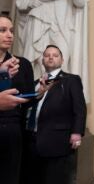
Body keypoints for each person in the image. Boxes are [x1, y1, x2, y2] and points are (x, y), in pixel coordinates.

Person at [15, 0, 89, 101]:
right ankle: (37, 101)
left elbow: (81, 2)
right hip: (39, 26)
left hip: (60, 29)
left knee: (63, 63)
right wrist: (32, 1)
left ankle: (61, 100)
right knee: (37, 65)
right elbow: (21, 3)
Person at [21, 45, 87, 184]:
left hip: (57, 142)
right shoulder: (35, 83)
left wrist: (77, 132)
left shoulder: (71, 80)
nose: (51, 57)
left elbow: (79, 108)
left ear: (62, 60)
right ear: (42, 60)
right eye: (47, 55)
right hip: (31, 141)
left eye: (55, 55)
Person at [0, 14, 35, 184]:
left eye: (12, 31)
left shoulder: (23, 64)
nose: (10, 35)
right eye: (3, 30)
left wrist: (41, 91)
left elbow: (29, 100)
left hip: (13, 129)